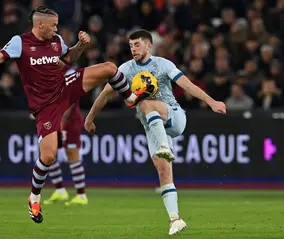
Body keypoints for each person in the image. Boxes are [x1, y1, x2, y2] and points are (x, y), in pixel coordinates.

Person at [0, 7, 154, 224]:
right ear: (40, 25)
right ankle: (34, 197)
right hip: (45, 106)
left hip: (64, 87)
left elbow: (68, 59)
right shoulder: (20, 42)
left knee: (109, 68)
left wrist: (80, 46)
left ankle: (130, 98)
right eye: (54, 25)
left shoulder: (56, 40)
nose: (57, 29)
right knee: (48, 156)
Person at [84, 29, 226, 236]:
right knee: (163, 173)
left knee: (145, 105)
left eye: (137, 45)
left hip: (174, 116)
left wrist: (211, 102)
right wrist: (89, 118)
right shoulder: (125, 69)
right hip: (152, 126)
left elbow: (187, 85)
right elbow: (105, 94)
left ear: (149, 45)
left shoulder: (163, 64)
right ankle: (175, 219)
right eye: (131, 45)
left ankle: (164, 146)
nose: (133, 49)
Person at [43, 64, 88, 206]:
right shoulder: (51, 72)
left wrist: (62, 120)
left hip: (71, 121)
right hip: (54, 118)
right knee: (48, 152)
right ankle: (60, 190)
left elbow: (71, 99)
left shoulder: (70, 72)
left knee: (71, 153)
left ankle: (81, 194)